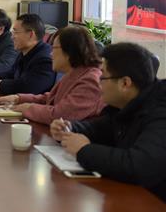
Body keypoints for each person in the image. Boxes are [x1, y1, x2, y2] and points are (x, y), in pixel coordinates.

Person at [51, 43, 166, 202]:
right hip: (129, 197)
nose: (98, 82)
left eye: (103, 77)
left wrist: (84, 150)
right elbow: (99, 129)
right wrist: (69, 128)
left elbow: (139, 166)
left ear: (125, 83)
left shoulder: (160, 111)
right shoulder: (126, 105)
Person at [0, 26, 104, 125]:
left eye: (54, 48)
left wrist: (28, 108)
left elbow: (60, 116)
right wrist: (18, 98)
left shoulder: (91, 80)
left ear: (69, 52)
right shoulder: (74, 73)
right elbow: (51, 98)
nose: (51, 54)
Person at [0, 13, 55, 95]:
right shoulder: (25, 52)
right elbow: (10, 73)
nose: (12, 36)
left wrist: (1, 84)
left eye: (15, 32)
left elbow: (28, 87)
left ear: (30, 34)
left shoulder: (45, 59)